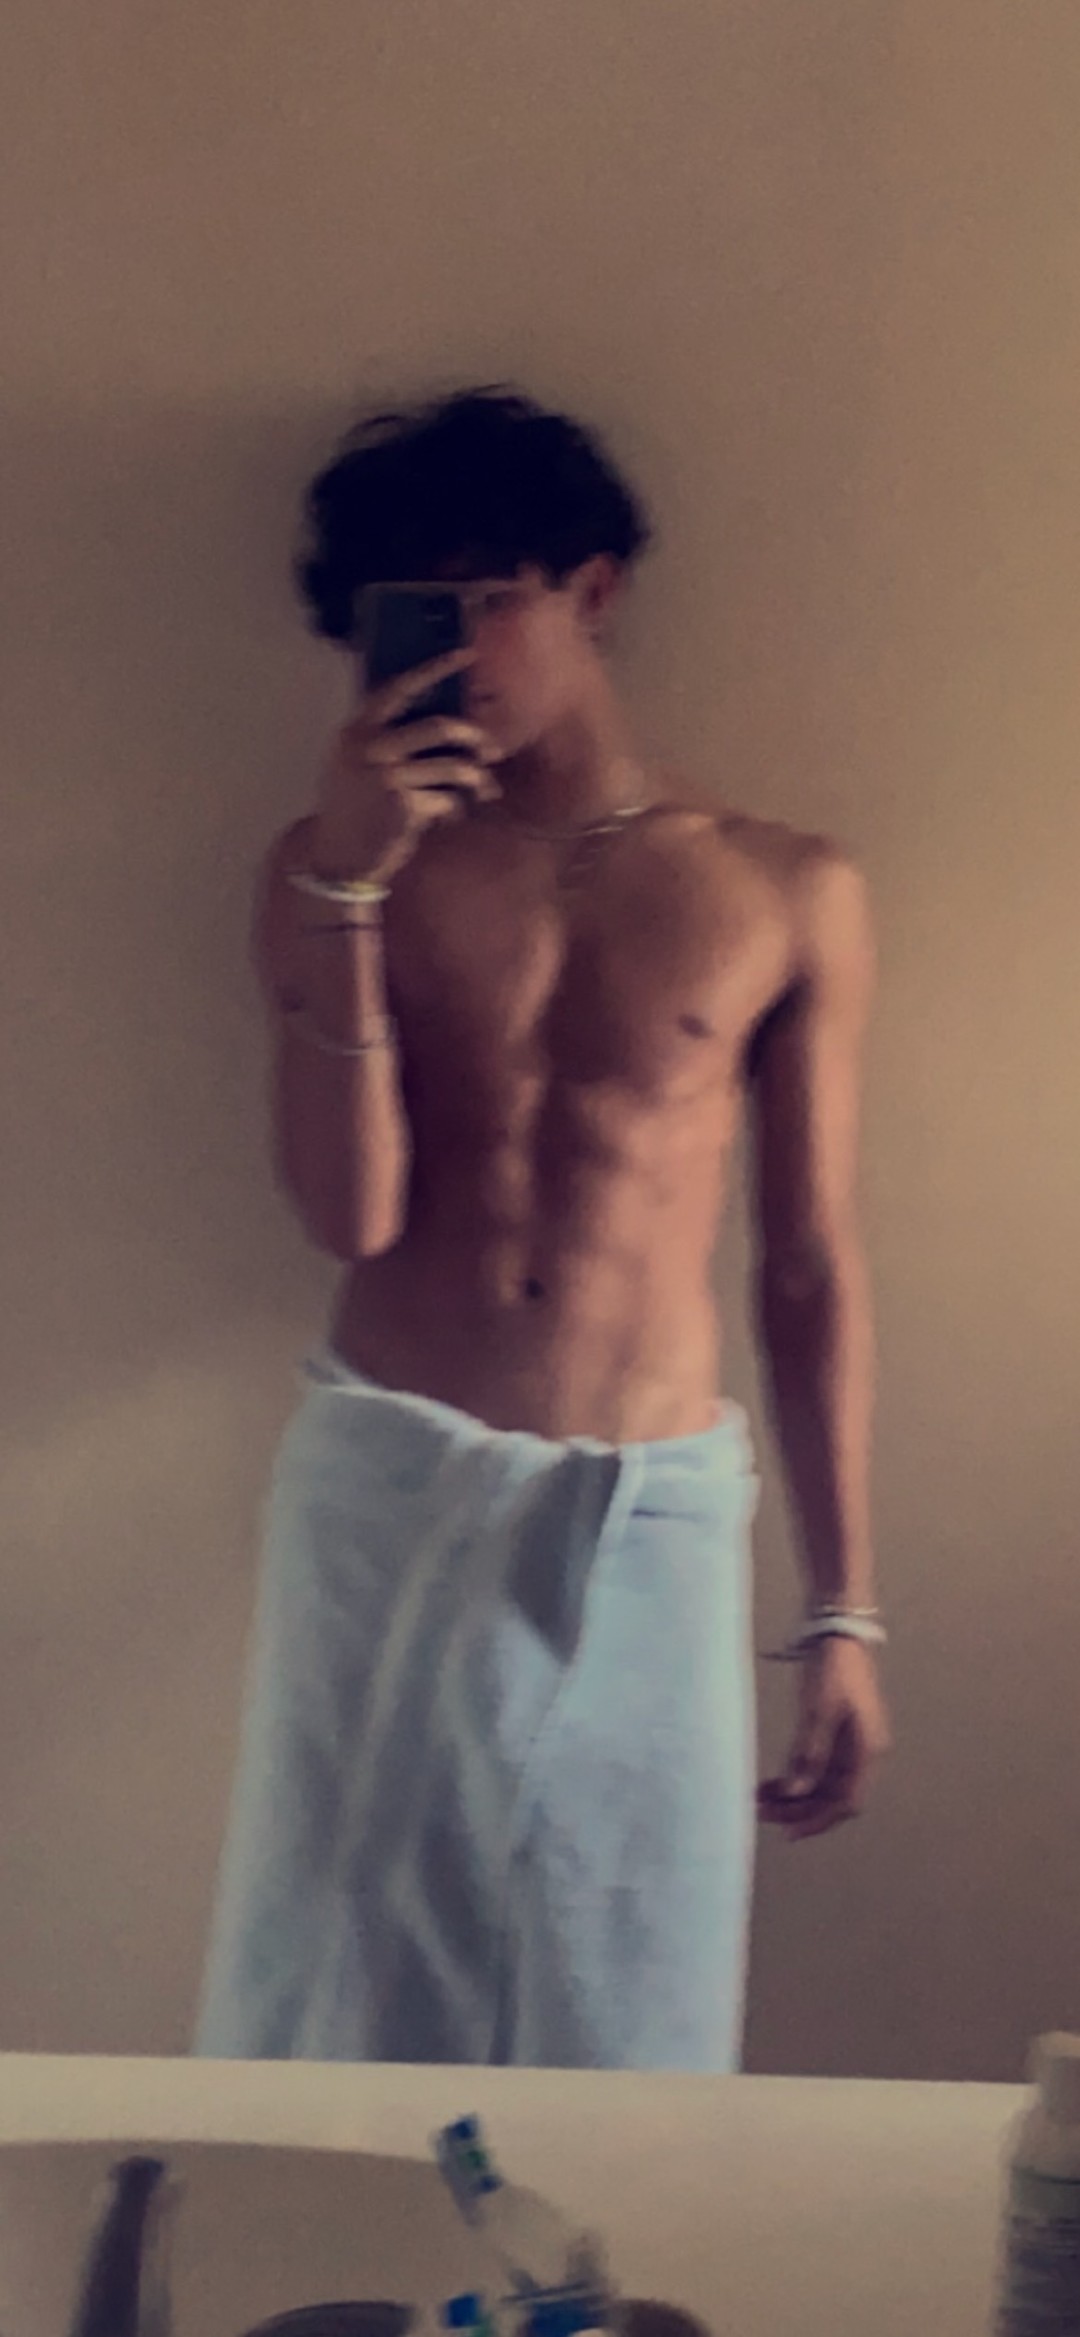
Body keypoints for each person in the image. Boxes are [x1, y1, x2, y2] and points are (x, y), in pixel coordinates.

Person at [195, 386, 890, 2071]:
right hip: (393, 1472)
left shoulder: (782, 887)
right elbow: (352, 1212)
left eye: (488, 596)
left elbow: (808, 1267)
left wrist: (845, 1610)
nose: (458, 650)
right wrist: (353, 887)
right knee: (333, 1979)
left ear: (593, 588)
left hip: (649, 1503)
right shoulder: (326, 868)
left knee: (632, 1987)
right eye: (408, 613)